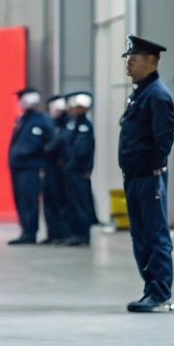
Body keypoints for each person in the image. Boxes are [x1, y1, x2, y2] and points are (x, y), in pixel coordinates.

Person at [117, 36, 174, 312]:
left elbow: (163, 139)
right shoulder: (141, 93)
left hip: (148, 176)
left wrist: (153, 167)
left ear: (151, 61)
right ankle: (150, 289)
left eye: (134, 59)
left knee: (155, 235)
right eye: (128, 59)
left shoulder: (157, 95)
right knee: (141, 236)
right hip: (135, 176)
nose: (128, 64)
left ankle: (161, 293)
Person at [7, 88, 53, 245]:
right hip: (18, 168)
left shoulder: (40, 120)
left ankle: (30, 233)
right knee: (21, 200)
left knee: (29, 201)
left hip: (30, 168)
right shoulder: (22, 120)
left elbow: (41, 144)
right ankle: (25, 231)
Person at [63, 92, 98, 246]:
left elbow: (81, 150)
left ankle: (83, 235)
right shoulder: (75, 124)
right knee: (73, 203)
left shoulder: (84, 126)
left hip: (78, 171)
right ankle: (75, 233)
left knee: (81, 203)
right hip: (72, 170)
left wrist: (72, 163)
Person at [41, 96, 74, 244]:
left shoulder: (67, 126)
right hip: (49, 168)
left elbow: (55, 146)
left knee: (61, 203)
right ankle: (53, 234)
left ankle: (63, 234)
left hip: (60, 170)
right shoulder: (49, 125)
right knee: (49, 203)